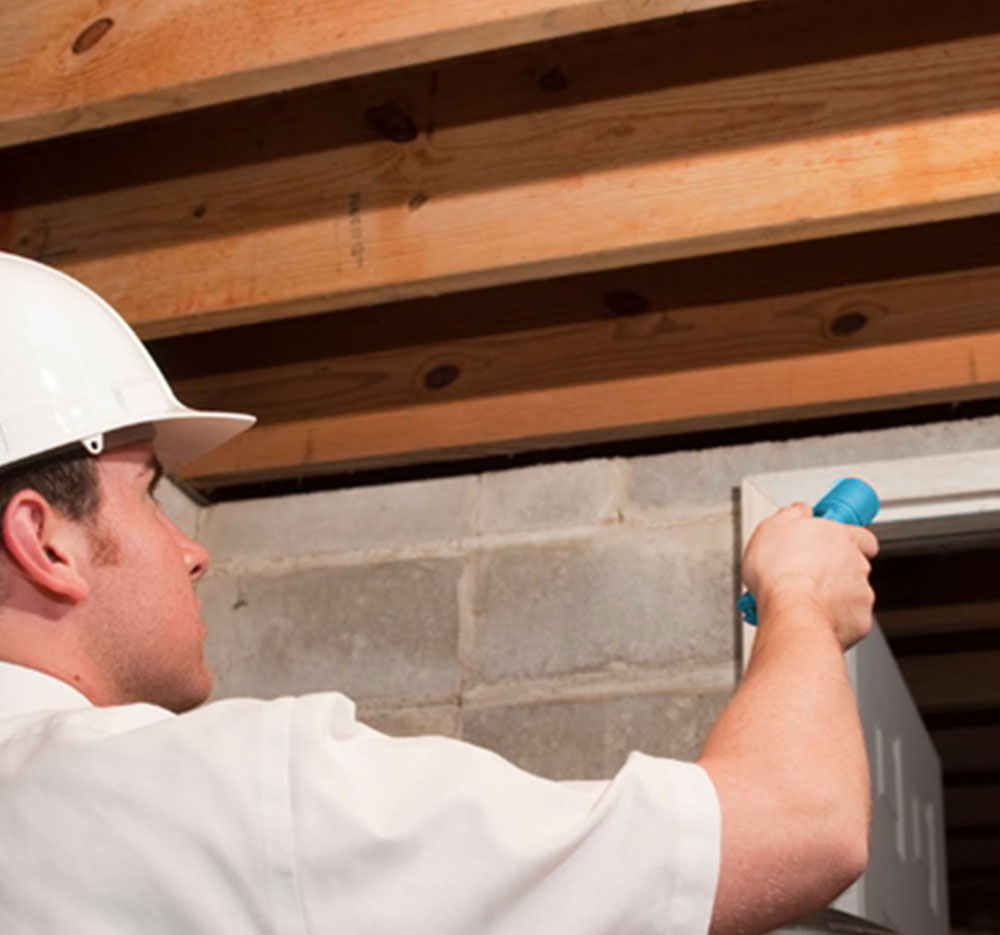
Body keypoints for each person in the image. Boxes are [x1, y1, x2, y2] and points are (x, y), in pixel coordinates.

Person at [0, 251, 878, 935]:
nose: (191, 552)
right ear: (45, 539)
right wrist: (803, 592)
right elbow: (801, 824)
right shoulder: (220, 793)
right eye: (151, 490)